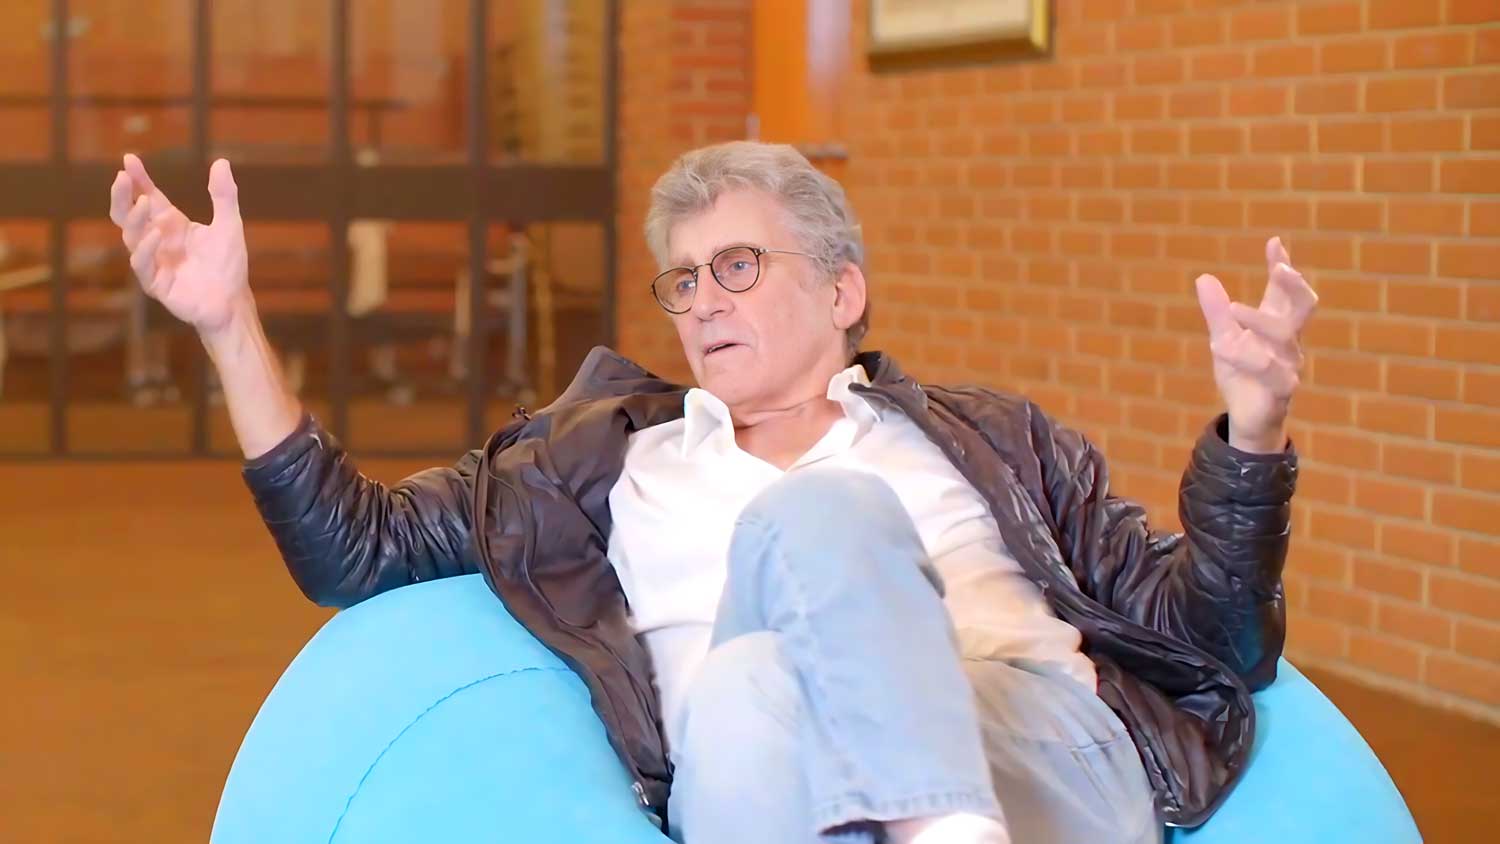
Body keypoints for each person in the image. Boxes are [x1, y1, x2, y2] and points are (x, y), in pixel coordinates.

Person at [108, 141, 1314, 844]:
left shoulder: (988, 439)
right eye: (683, 281)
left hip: (1023, 748)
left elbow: (1213, 636)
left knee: (821, 513)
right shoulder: (599, 459)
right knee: (740, 684)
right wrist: (227, 324)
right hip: (762, 785)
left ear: (842, 291)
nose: (703, 302)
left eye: (736, 265)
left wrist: (1253, 432)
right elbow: (352, 550)